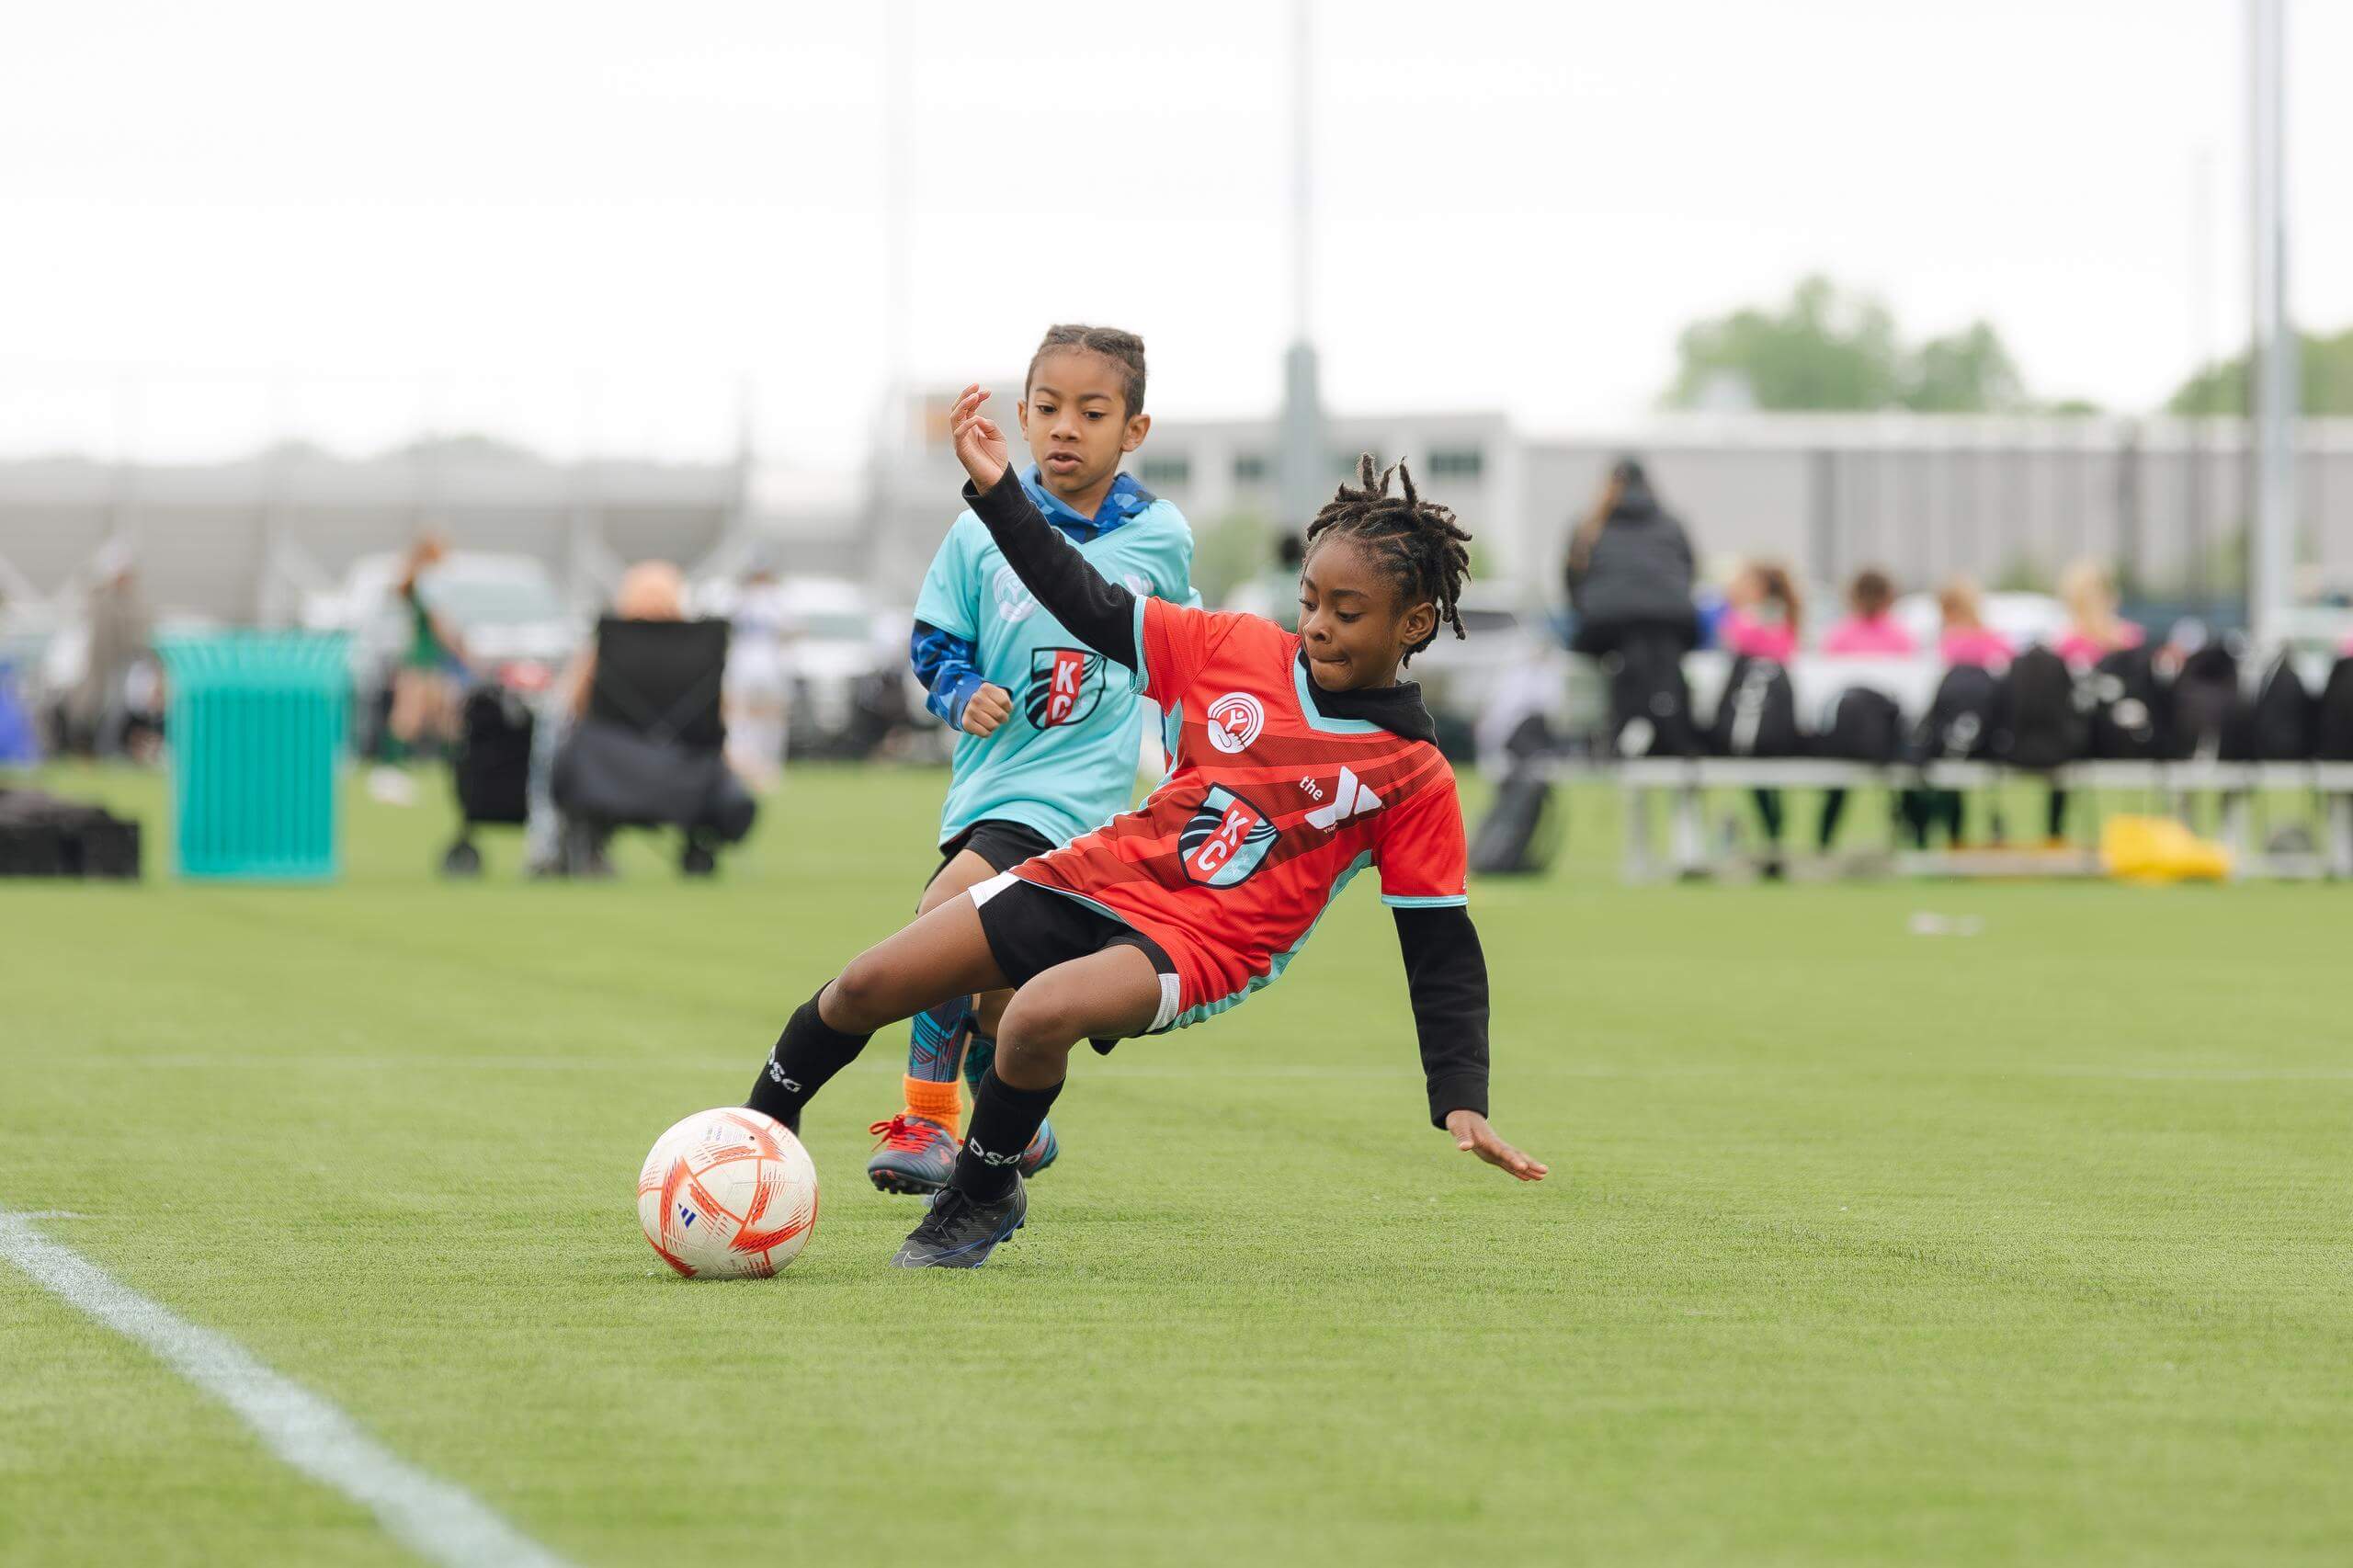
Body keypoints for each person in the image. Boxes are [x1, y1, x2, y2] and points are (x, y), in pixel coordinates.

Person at [739, 386, 1545, 1269]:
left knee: (1033, 1018)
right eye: (1311, 599)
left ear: (1416, 624)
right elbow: (1081, 597)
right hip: (1099, 872)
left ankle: (981, 1189)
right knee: (867, 983)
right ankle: (747, 1143)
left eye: (1346, 613)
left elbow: (1438, 944)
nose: (1316, 624)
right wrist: (1002, 490)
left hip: (1204, 944)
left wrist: (1460, 1093)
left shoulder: (1412, 775)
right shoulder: (1232, 647)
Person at [871, 325, 1199, 1197]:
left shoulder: (1161, 538)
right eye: (1048, 409)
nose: (1065, 427)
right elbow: (935, 639)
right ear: (1020, 416)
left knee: (942, 920)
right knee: (992, 996)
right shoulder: (981, 531)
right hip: (990, 790)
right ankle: (1013, 1123)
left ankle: (925, 1123)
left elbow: (1185, 655)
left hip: (1082, 804)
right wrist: (959, 690)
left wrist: (1188, 753)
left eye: (1092, 412)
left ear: (1134, 430)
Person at [1815, 568, 1916, 848]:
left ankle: (1823, 842)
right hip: (1888, 738)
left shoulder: (1838, 636)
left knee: (1837, 792)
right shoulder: (1901, 637)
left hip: (1846, 738)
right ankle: (1912, 841)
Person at [2047, 560, 2142, 841]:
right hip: (2123, 739)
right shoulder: (2130, 640)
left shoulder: (2064, 645)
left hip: (2075, 739)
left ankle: (2056, 835)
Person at [1722, 562, 1801, 869]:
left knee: (1766, 782)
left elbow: (1763, 645)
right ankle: (1772, 841)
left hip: (1768, 719)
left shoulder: (1765, 617)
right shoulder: (1758, 616)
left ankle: (1773, 841)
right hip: (1752, 720)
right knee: (1761, 784)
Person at [1819, 568, 1915, 656]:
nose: (1871, 600)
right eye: (1867, 594)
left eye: (1875, 595)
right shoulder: (1902, 637)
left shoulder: (1838, 636)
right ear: (1889, 597)